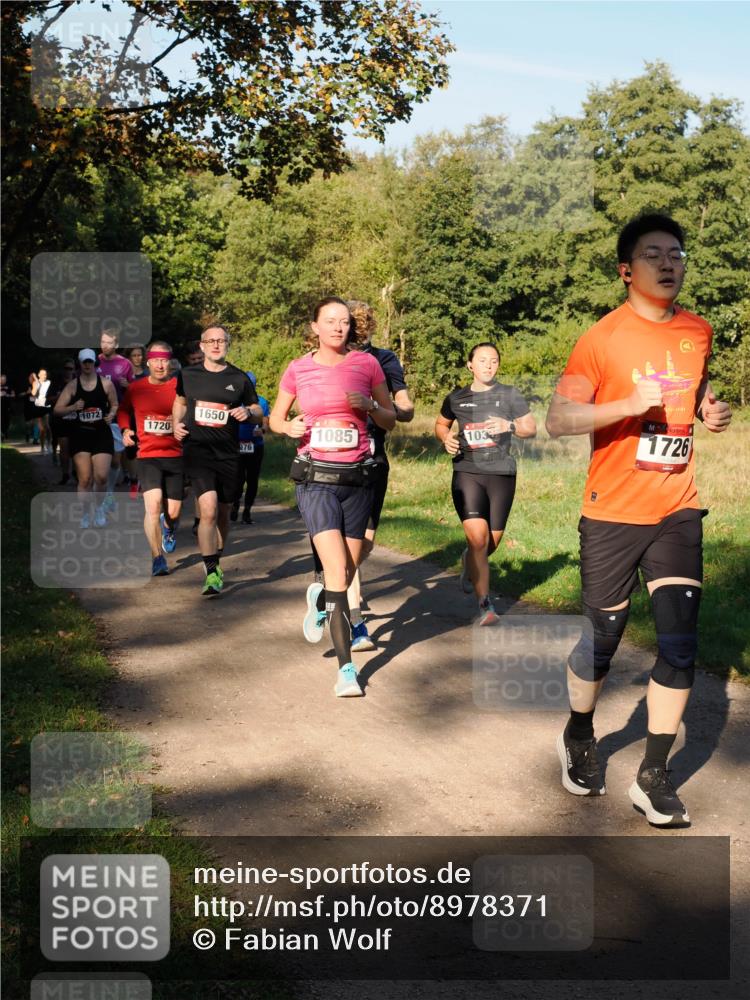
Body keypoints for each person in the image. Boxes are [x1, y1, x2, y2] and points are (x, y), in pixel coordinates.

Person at [546, 213, 732, 827]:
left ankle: (653, 776)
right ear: (627, 270)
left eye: (676, 253)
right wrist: (626, 404)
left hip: (677, 505)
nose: (669, 263)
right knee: (603, 639)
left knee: (680, 642)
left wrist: (707, 409)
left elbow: (695, 389)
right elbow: (559, 419)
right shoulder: (600, 338)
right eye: (654, 254)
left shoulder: (698, 330)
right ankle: (579, 732)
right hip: (613, 510)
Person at [269, 297, 395, 697]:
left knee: (348, 569)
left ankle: (321, 596)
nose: (338, 327)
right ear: (315, 327)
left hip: (357, 480)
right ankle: (346, 671)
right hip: (316, 479)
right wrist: (287, 428)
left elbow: (391, 418)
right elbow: (275, 418)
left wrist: (371, 406)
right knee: (338, 570)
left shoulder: (367, 365)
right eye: (330, 321)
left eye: (344, 322)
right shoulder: (298, 368)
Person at [435, 342, 536, 625]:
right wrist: (446, 438)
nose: (488, 365)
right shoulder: (456, 398)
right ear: (470, 365)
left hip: (501, 474)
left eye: (493, 361)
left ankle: (468, 559)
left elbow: (530, 428)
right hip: (467, 471)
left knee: (491, 542)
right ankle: (485, 605)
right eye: (482, 360)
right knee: (478, 538)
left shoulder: (510, 395)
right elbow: (441, 424)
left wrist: (509, 426)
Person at [173, 325, 262, 595]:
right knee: (208, 509)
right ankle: (211, 572)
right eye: (210, 341)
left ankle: (217, 558)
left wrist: (248, 412)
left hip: (228, 453)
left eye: (220, 341)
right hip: (198, 450)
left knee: (223, 511)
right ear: (202, 346)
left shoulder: (239, 377)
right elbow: (180, 402)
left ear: (227, 345)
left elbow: (258, 410)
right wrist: (176, 424)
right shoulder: (187, 374)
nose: (215, 345)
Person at [118, 341, 183, 577]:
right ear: (148, 362)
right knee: (153, 505)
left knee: (173, 512)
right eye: (155, 360)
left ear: (170, 363)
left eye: (164, 360)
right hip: (148, 455)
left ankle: (168, 527)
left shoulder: (180, 387)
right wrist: (126, 429)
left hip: (175, 455)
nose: (160, 365)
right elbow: (123, 410)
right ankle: (157, 558)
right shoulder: (136, 388)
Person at [54, 348, 118, 527]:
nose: (88, 365)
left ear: (94, 363)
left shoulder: (106, 384)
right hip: (80, 434)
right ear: (80, 364)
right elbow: (57, 410)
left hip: (101, 434)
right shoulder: (73, 386)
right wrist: (73, 407)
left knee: (102, 477)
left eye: (90, 361)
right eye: (85, 362)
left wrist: (111, 414)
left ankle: (98, 508)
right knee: (85, 479)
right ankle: (85, 513)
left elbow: (114, 404)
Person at [97, 328, 135, 504]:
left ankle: (110, 491)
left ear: (117, 345)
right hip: (95, 415)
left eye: (109, 343)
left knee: (115, 459)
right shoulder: (93, 361)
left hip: (116, 415)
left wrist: (128, 386)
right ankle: (99, 493)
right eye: (103, 342)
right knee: (97, 458)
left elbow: (135, 391)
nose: (105, 345)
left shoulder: (125, 364)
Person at [231, 371, 270, 524]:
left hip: (255, 446)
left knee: (252, 480)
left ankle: (247, 511)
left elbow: (265, 422)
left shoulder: (262, 402)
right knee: (237, 479)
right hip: (236, 445)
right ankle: (235, 505)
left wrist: (262, 430)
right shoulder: (233, 400)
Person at [49, 360, 77, 483]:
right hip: (61, 420)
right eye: (66, 368)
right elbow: (48, 399)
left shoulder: (79, 382)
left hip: (76, 421)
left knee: (76, 449)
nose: (68, 371)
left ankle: (76, 472)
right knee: (64, 448)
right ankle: (65, 474)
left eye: (70, 368)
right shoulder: (56, 384)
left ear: (74, 370)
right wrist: (60, 397)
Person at [32, 368, 53, 452]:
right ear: (39, 375)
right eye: (42, 374)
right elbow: (33, 393)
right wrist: (37, 385)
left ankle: (49, 444)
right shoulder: (36, 383)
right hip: (38, 407)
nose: (44, 376)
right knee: (41, 429)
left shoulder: (49, 382)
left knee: (47, 427)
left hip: (46, 407)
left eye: (45, 374)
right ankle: (42, 447)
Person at [1, 374, 16, 441]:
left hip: (7, 407)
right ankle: (2, 434)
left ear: (6, 380)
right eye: (1, 379)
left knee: (6, 420)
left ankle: (5, 432)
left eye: (4, 379)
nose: (3, 381)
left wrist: (7, 395)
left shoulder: (9, 387)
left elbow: (13, 395)